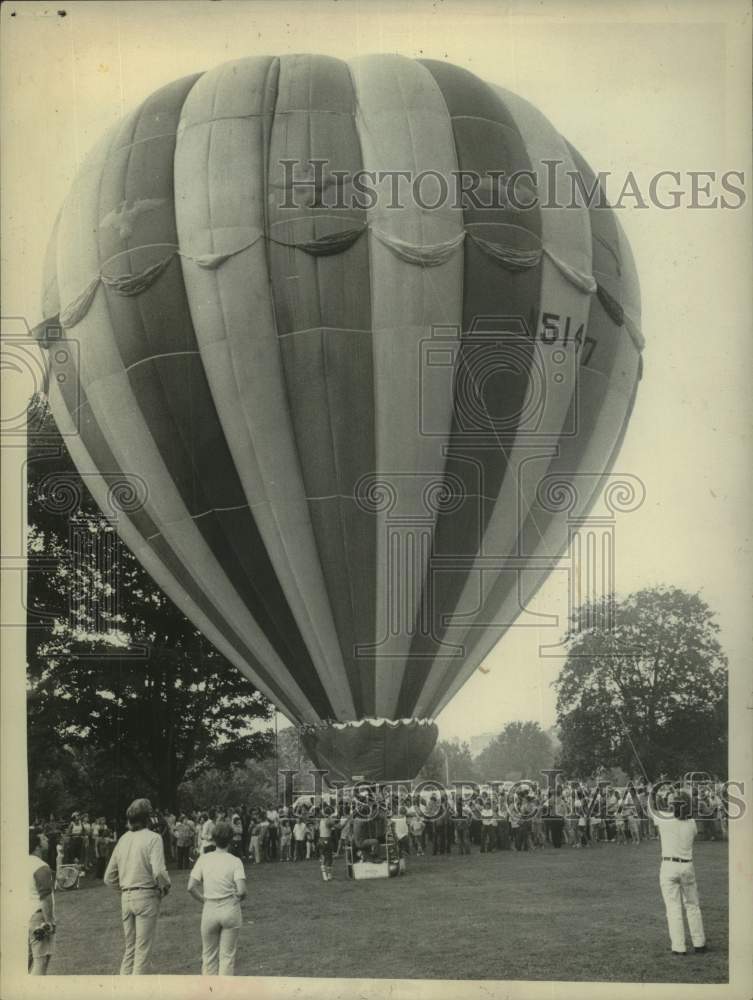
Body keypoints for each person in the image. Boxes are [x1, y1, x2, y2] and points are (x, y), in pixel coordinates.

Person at [104, 798, 171, 975]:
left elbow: (108, 877)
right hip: (147, 895)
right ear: (148, 818)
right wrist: (165, 887)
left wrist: (125, 890)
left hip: (126, 897)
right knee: (142, 952)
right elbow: (159, 872)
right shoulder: (154, 838)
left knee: (130, 950)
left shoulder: (123, 840)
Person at [188, 820, 247, 975]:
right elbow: (242, 890)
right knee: (227, 958)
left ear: (213, 839)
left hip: (210, 909)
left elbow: (191, 887)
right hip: (230, 908)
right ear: (231, 839)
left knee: (208, 957)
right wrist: (237, 898)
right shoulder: (235, 861)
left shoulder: (204, 859)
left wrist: (204, 900)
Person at [652, 789, 706, 955]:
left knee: (673, 908)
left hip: (669, 866)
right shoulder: (692, 823)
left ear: (673, 805)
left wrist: (653, 792)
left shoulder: (665, 819)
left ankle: (679, 947)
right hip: (687, 866)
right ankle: (699, 943)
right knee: (692, 906)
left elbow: (650, 809)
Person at [28, 829, 56, 975]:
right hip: (37, 917)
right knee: (41, 960)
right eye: (44, 839)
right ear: (37, 846)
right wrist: (50, 922)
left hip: (23, 916)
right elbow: (45, 896)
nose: (47, 840)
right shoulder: (40, 866)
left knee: (26, 961)